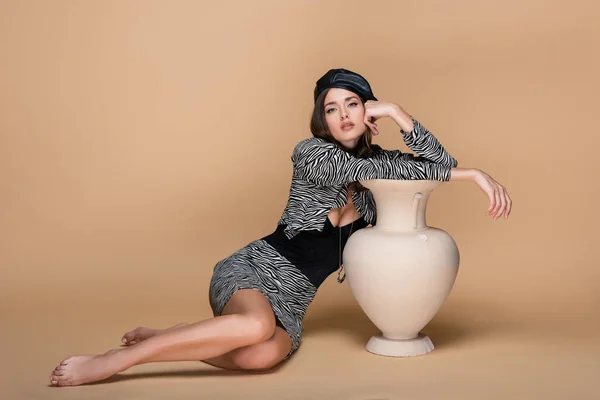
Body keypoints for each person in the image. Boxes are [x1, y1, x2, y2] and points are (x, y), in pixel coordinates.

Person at [49, 68, 511, 386]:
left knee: (261, 357)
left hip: (292, 301)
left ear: (367, 111)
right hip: (252, 271)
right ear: (321, 119)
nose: (344, 114)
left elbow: (438, 164)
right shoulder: (311, 153)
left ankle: (168, 333)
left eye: (353, 104)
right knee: (252, 325)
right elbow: (408, 172)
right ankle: (118, 361)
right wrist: (470, 176)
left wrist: (397, 113)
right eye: (332, 108)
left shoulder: (382, 163)